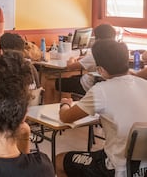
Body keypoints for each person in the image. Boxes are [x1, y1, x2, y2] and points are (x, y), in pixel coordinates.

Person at [55, 39, 147, 177]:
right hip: (143, 166)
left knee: (59, 161)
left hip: (116, 168)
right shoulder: (143, 84)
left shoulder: (100, 91)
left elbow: (66, 117)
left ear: (100, 70)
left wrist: (65, 103)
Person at [55, 24, 116, 96]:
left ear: (98, 39)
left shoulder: (95, 55)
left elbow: (70, 66)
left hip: (87, 86)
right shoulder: (116, 53)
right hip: (105, 88)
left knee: (54, 83)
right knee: (72, 78)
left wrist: (72, 58)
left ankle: (50, 105)